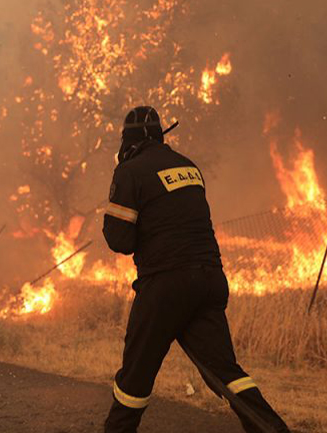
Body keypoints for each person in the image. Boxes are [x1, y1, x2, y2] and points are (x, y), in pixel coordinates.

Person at [102, 106, 291, 433]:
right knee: (226, 372)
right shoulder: (189, 167)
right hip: (209, 280)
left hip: (165, 285)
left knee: (135, 376)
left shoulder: (130, 171)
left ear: (129, 141)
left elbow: (120, 240)